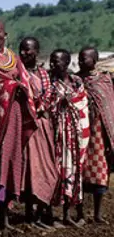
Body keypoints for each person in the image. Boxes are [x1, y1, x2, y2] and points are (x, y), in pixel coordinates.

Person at [0, 19, 36, 235]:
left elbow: (26, 84)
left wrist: (16, 87)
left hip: (12, 120)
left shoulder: (14, 60)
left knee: (9, 164)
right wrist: (5, 87)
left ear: (5, 35)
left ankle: (4, 219)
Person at [19, 38, 59, 230]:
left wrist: (40, 108)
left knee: (47, 168)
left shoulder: (44, 74)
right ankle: (30, 214)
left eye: (28, 50)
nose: (24, 53)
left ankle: (43, 210)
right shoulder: (19, 74)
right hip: (26, 127)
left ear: (36, 51)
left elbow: (50, 97)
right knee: (29, 169)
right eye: (21, 50)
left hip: (43, 127)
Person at [47, 49, 90, 226]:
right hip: (56, 136)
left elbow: (82, 104)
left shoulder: (77, 82)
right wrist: (59, 103)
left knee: (74, 171)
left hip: (75, 136)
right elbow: (47, 105)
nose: (52, 64)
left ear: (66, 63)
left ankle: (71, 214)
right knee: (55, 172)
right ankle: (51, 214)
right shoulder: (49, 83)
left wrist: (69, 102)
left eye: (56, 61)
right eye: (51, 61)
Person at [77, 47, 114, 224]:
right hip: (80, 132)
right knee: (79, 172)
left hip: (99, 134)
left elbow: (109, 109)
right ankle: (80, 213)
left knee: (100, 174)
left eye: (85, 59)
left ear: (94, 60)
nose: (81, 62)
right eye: (80, 59)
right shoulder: (75, 80)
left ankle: (98, 214)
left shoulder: (104, 81)